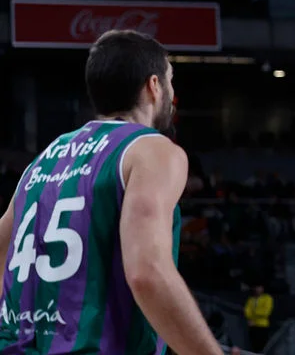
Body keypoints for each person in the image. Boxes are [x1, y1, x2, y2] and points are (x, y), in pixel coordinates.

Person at [0, 29, 223, 354]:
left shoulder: (42, 162)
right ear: (154, 86)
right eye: (170, 80)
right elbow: (148, 272)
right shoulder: (152, 150)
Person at [243, 281, 274, 352]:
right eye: (256, 287)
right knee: (254, 346)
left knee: (263, 346)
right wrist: (255, 313)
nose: (257, 289)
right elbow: (247, 311)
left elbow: (265, 312)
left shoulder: (267, 298)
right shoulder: (251, 299)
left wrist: (254, 312)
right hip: (252, 326)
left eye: (259, 287)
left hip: (262, 325)